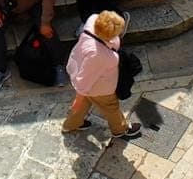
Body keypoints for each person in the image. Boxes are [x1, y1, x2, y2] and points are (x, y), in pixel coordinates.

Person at [60, 9, 143, 143]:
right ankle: (120, 129)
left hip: (78, 69)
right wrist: (79, 97)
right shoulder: (103, 56)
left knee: (85, 102)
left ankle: (71, 124)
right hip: (98, 87)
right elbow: (85, 80)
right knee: (110, 107)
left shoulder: (92, 22)